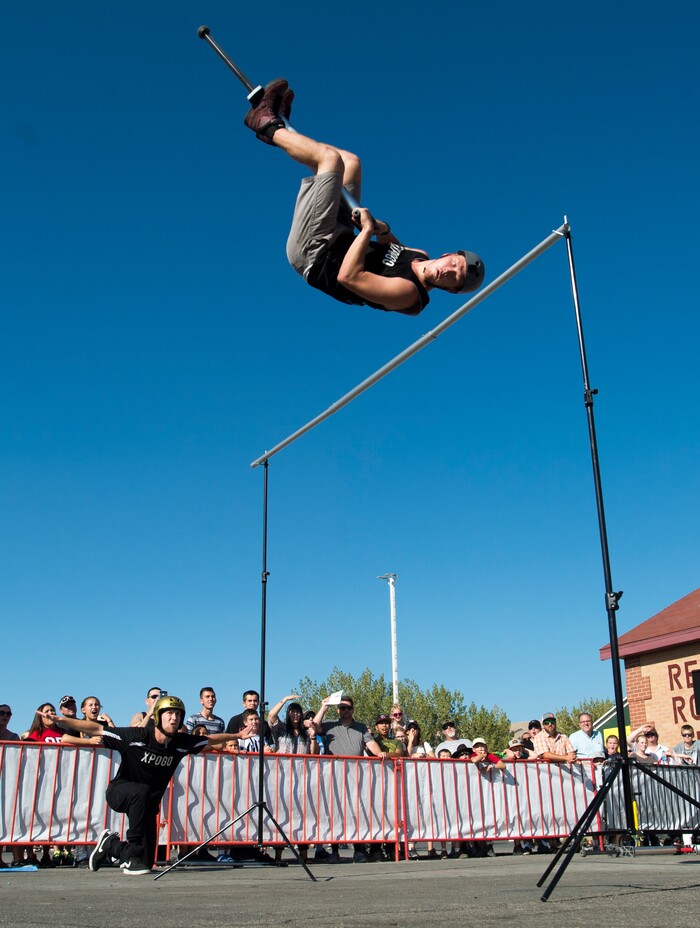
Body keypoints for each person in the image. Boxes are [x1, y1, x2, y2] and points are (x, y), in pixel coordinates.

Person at [242, 80, 485, 317]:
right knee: (350, 162)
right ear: (447, 255)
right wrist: (383, 228)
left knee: (329, 161)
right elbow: (391, 246)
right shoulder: (418, 253)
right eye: (454, 264)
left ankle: (265, 123)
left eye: (455, 277)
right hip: (339, 236)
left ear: (451, 290)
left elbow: (348, 277)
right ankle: (281, 127)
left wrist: (367, 230)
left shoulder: (410, 294)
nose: (448, 271)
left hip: (315, 255)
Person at [49, 695, 253, 875]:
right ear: (157, 716)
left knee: (145, 863)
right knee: (142, 792)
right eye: (169, 714)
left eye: (178, 715)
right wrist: (63, 720)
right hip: (120, 792)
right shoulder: (137, 737)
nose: (174, 718)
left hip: (147, 807)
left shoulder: (180, 743)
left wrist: (237, 736)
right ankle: (132, 854)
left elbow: (209, 740)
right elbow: (97, 728)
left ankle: (111, 845)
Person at [312, 695, 385, 863]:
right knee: (336, 812)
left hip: (356, 776)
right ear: (338, 710)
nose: (345, 711)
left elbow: (370, 743)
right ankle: (335, 851)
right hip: (335, 775)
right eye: (342, 708)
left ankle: (358, 850)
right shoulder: (330, 724)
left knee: (357, 812)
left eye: (348, 708)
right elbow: (314, 727)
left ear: (353, 710)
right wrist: (324, 706)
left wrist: (379, 752)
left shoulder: (361, 727)